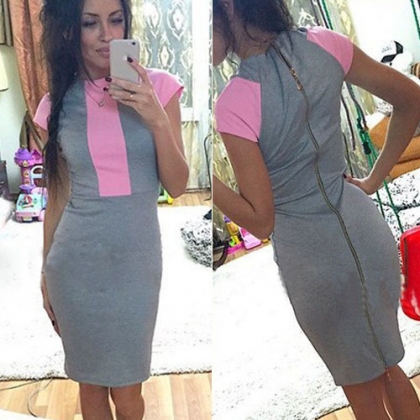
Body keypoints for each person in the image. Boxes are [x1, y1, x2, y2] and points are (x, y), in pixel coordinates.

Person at [212, 0, 420, 419]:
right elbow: (412, 99)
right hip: (366, 231)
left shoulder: (235, 102)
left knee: (363, 393)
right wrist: (372, 181)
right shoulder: (325, 43)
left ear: (229, 8)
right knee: (388, 365)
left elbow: (261, 221)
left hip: (313, 261)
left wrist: (209, 186)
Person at [33, 0, 188, 418]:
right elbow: (58, 194)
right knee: (90, 387)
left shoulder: (161, 88)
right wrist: (45, 270)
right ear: (70, 30)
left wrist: (155, 118)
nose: (107, 35)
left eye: (116, 20)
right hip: (75, 264)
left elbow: (177, 185)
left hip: (136, 263)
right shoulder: (56, 105)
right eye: (91, 23)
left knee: (129, 391)